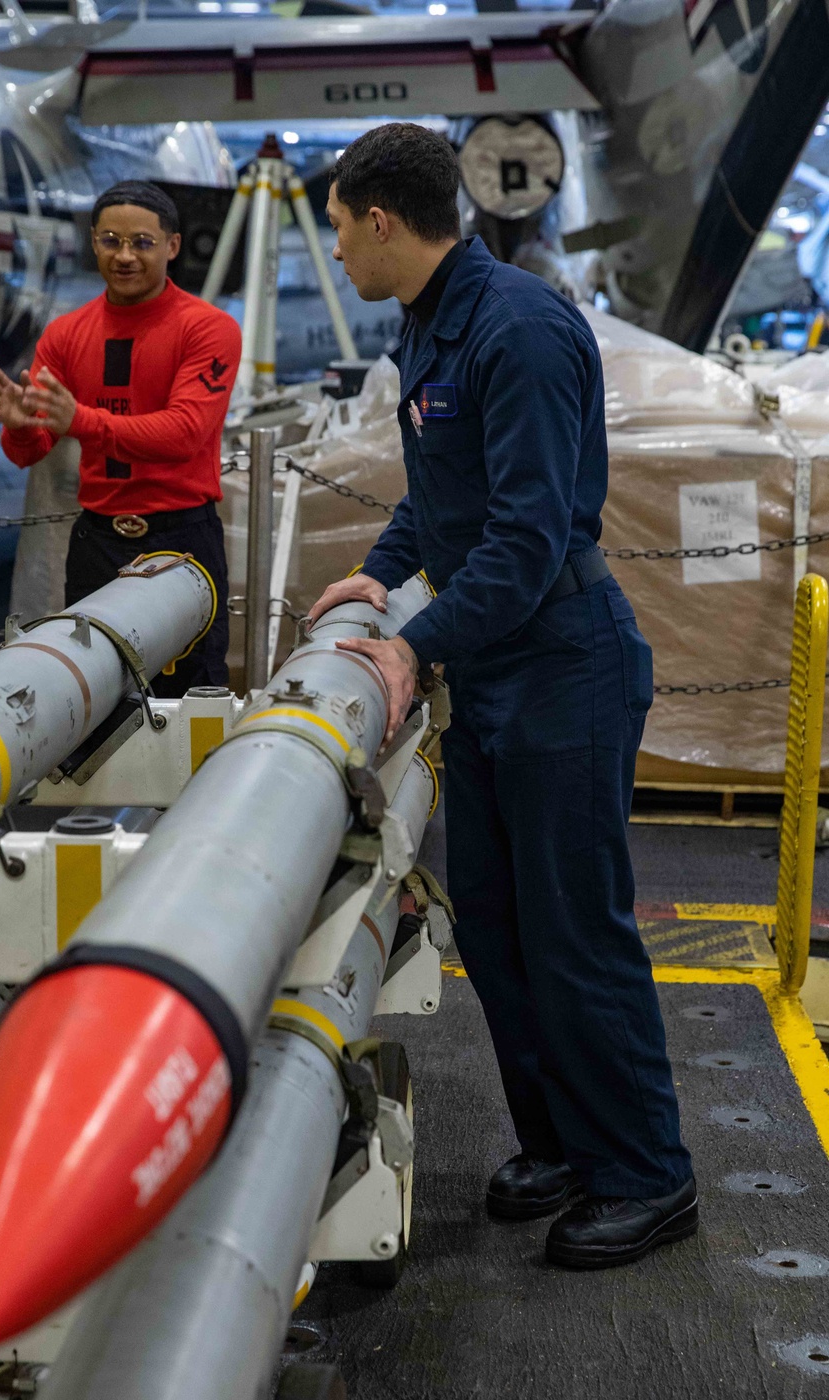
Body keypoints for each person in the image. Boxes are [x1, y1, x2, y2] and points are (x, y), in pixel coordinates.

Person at [310, 123, 696, 1270]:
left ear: (381, 219)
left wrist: (410, 646)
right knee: (497, 921)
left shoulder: (517, 328)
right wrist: (378, 572)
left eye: (336, 227)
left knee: (574, 934)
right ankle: (570, 1143)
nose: (334, 250)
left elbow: (528, 534)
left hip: (562, 665)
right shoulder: (430, 322)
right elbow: (443, 494)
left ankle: (646, 1172)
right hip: (494, 674)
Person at [0, 181, 241, 694]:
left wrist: (79, 420)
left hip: (181, 544)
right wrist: (17, 427)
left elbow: (183, 433)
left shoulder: (208, 328)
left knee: (193, 697)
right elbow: (30, 450)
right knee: (97, 696)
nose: (125, 256)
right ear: (93, 244)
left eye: (142, 243)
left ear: (172, 246)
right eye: (110, 241)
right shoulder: (65, 334)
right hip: (97, 543)